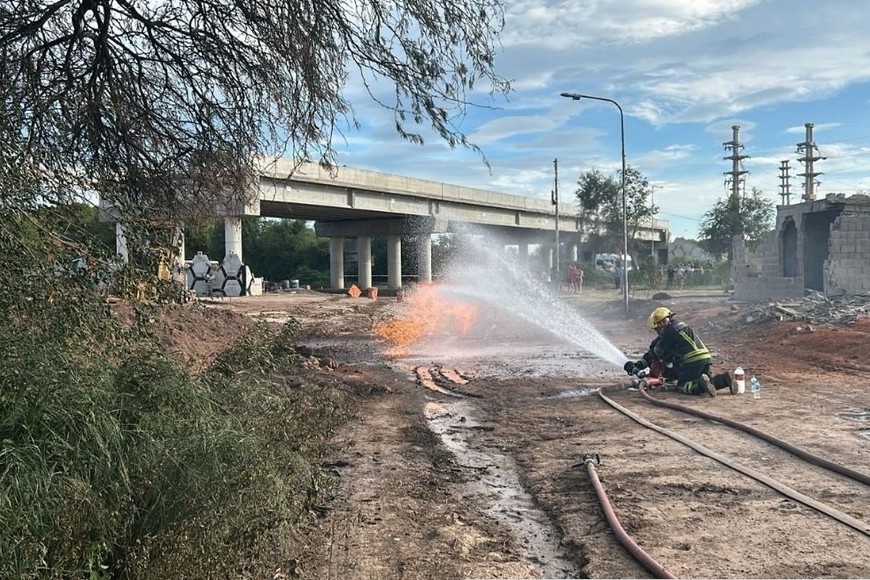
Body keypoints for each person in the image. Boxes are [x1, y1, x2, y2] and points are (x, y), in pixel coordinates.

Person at [624, 307, 735, 397]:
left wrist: (641, 366)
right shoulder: (680, 326)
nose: (658, 332)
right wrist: (639, 364)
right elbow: (656, 348)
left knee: (682, 386)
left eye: (658, 329)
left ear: (661, 324)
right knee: (708, 381)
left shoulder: (669, 332)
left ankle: (700, 385)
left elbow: (657, 352)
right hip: (706, 357)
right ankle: (726, 379)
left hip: (692, 360)